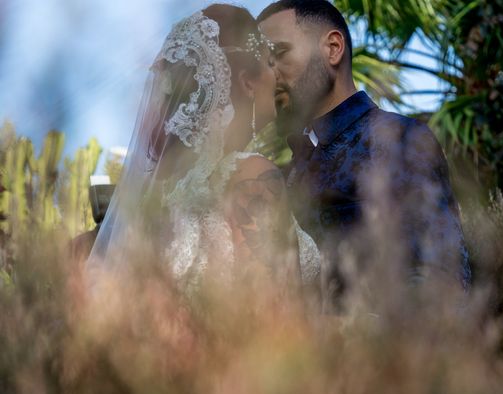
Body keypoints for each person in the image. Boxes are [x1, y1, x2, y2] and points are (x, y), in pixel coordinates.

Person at [88, 4, 320, 302]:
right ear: (248, 82)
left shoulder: (153, 200)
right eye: (269, 62)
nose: (277, 77)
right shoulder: (250, 176)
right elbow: (275, 320)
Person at [258, 0, 471, 314]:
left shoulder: (397, 138)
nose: (269, 73)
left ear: (332, 48)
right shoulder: (286, 169)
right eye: (263, 63)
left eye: (279, 54)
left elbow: (442, 278)